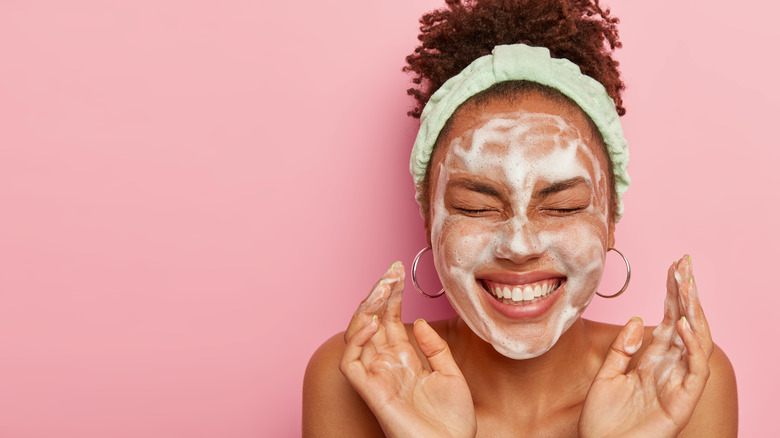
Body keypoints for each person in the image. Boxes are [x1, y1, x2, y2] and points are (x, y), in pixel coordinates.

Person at [302, 0, 738, 436]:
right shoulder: (358, 377)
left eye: (562, 206)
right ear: (430, 222)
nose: (519, 245)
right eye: (476, 207)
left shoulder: (680, 379)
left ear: (609, 222)